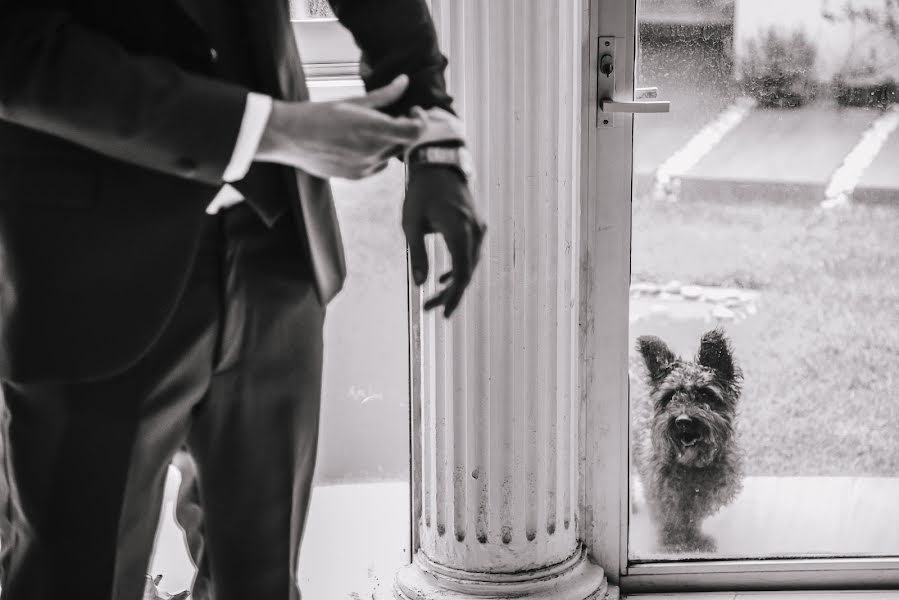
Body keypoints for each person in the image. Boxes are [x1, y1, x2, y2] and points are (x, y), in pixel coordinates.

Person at [0, 0, 485, 598]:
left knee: (262, 581)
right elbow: (18, 50)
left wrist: (433, 143)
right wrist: (274, 131)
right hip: (87, 261)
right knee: (75, 579)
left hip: (277, 246)